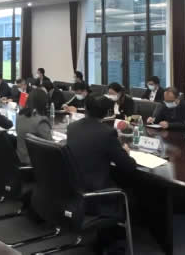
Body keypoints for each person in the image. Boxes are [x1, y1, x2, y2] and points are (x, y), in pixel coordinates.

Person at [65, 96, 136, 253]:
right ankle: (116, 236)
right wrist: (126, 152)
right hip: (95, 195)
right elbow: (128, 166)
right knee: (132, 191)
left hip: (73, 190)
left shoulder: (72, 127)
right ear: (107, 114)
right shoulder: (107, 133)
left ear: (86, 109)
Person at [16, 89, 52, 164]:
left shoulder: (19, 115)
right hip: (36, 163)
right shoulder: (41, 121)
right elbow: (51, 146)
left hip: (20, 159)